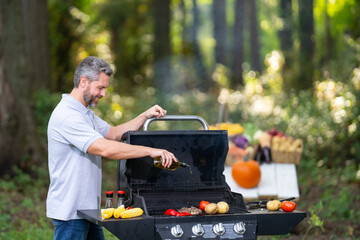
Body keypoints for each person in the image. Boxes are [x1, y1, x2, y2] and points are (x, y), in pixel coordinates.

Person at [46, 56, 177, 240]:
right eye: (101, 87)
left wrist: (144, 116)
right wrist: (149, 151)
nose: (104, 94)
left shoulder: (84, 114)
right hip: (71, 214)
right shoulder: (68, 116)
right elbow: (105, 148)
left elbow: (114, 133)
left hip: (88, 211)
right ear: (83, 81)